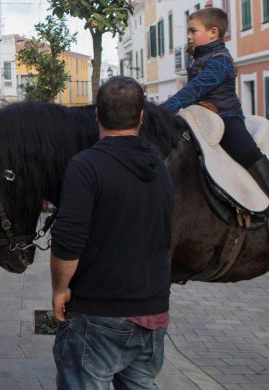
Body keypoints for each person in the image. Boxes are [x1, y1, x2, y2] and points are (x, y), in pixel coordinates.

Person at [50, 76, 172, 389]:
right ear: (142, 116)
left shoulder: (86, 165)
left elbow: (68, 241)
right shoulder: (160, 167)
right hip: (152, 311)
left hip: (99, 310)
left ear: (97, 115)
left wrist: (60, 288)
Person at [161, 7, 269, 243]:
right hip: (197, 116)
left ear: (213, 32)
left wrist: (161, 112)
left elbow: (193, 90)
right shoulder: (198, 56)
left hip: (226, 118)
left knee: (247, 153)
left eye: (193, 30)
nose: (189, 35)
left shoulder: (221, 61)